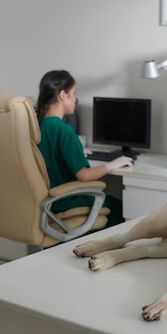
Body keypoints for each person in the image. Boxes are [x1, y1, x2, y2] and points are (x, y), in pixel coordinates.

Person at [35, 70, 133, 228]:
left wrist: (76, 152)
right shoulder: (64, 130)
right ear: (62, 95)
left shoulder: (39, 126)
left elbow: (50, 155)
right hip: (68, 201)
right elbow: (84, 176)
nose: (75, 99)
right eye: (73, 93)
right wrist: (112, 165)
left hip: (48, 202)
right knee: (123, 209)